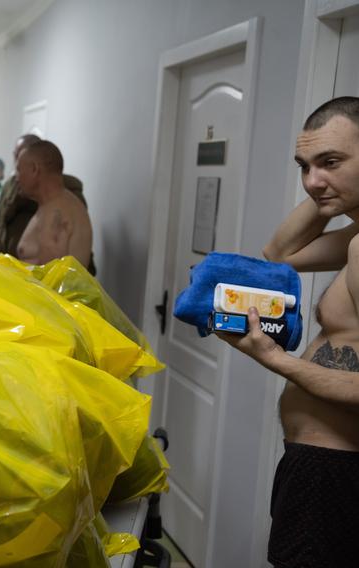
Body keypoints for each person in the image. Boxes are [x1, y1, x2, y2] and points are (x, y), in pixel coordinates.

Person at [217, 96, 359, 568]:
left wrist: (274, 359)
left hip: (336, 473)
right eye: (304, 166)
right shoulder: (355, 237)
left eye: (332, 162)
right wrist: (328, 191)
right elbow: (277, 257)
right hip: (319, 468)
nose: (312, 180)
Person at [14, 140, 92, 268]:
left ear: (34, 169)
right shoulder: (51, 205)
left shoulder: (56, 213)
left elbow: (48, 280)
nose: (16, 178)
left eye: (18, 170)